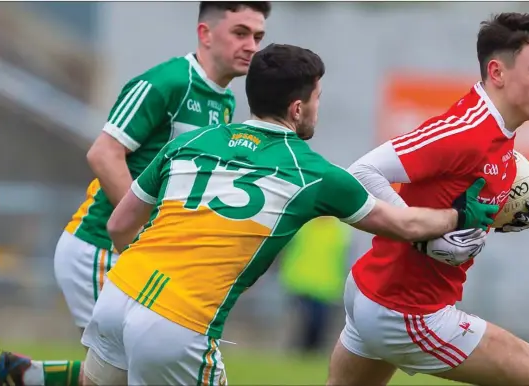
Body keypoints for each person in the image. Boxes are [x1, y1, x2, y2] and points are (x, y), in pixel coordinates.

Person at [78, 43, 499, 386]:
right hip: (177, 324)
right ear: (298, 109)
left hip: (117, 295)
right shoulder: (310, 171)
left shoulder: (193, 141)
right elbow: (405, 225)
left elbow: (119, 225)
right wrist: (459, 216)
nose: (318, 108)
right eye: (317, 98)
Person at [0, 3, 271, 386]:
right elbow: (104, 152)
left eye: (258, 36)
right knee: (132, 368)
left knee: (128, 370)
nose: (252, 46)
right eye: (240, 33)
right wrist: (145, 230)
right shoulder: (167, 82)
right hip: (99, 248)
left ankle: (19, 376)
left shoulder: (223, 102)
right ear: (205, 34)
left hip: (138, 254)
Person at [327, 12, 529, 386]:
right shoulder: (469, 129)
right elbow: (360, 174)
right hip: (406, 311)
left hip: (377, 290)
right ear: (498, 73)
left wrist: (501, 216)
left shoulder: (499, 131)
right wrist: (419, 232)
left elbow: (454, 204)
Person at [279, 216, 352, 354]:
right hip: (300, 283)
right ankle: (298, 351)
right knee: (303, 321)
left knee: (319, 323)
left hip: (326, 287)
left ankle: (311, 352)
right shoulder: (303, 224)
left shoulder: (341, 230)